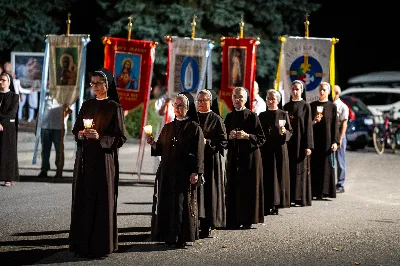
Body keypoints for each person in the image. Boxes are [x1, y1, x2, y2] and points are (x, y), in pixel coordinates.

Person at [69, 68, 126, 258]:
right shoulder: (86, 104)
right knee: (83, 198)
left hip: (103, 160)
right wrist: (81, 134)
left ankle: (101, 245)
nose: (94, 86)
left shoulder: (114, 107)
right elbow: (76, 129)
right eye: (92, 83)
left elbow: (120, 137)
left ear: (107, 85)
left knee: (102, 200)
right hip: (85, 158)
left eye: (97, 83)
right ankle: (81, 244)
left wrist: (100, 136)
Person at [146, 93, 204, 248]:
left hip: (184, 172)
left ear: (187, 108)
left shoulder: (194, 127)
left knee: (181, 204)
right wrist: (153, 143)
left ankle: (182, 236)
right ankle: (167, 235)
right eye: (175, 105)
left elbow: (199, 152)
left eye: (180, 105)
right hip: (167, 171)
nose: (177, 108)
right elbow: (161, 148)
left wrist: (196, 172)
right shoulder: (168, 126)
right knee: (167, 203)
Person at [224, 87, 265, 229]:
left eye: (240, 97)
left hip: (250, 158)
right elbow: (223, 141)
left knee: (248, 188)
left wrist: (247, 136)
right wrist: (229, 137)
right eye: (235, 96)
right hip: (234, 157)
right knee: (234, 186)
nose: (237, 99)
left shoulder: (252, 116)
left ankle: (248, 219)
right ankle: (233, 219)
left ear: (246, 99)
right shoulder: (229, 117)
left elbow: (261, 138)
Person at [195, 89, 228, 238]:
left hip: (210, 161)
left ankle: (209, 223)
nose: (201, 103)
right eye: (199, 100)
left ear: (210, 102)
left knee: (209, 192)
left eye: (204, 100)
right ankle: (195, 222)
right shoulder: (193, 117)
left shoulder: (216, 118)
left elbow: (223, 141)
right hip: (195, 160)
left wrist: (206, 142)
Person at [259, 89, 292, 215]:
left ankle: (277, 203)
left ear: (277, 100)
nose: (270, 101)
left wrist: (285, 133)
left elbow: (290, 131)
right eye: (268, 98)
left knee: (278, 176)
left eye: (273, 99)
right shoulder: (262, 115)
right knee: (267, 176)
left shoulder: (283, 114)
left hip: (279, 148)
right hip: (266, 149)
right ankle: (267, 203)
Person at [283, 80, 314, 207]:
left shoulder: (305, 106)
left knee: (300, 169)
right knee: (289, 169)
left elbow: (308, 127)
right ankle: (288, 197)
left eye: (297, 89)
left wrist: (308, 145)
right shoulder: (286, 106)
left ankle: (300, 197)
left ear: (301, 91)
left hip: (301, 142)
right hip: (289, 142)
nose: (295, 91)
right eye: (293, 89)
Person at [310, 82, 339, 200]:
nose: (322, 92)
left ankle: (325, 191)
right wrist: (314, 121)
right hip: (315, 140)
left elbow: (335, 126)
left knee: (326, 167)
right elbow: (308, 125)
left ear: (328, 92)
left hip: (327, 141)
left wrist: (335, 141)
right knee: (315, 165)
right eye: (321, 89)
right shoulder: (312, 105)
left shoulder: (332, 106)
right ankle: (314, 191)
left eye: (324, 90)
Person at [37, 94, 72, 178]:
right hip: (45, 126)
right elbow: (40, 111)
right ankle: (44, 169)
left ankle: (59, 170)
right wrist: (37, 127)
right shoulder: (45, 96)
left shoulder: (65, 96)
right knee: (45, 150)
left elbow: (70, 111)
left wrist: (67, 108)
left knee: (59, 150)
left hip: (58, 127)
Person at [0, 73, 19, 187]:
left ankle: (8, 177)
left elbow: (12, 113)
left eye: (3, 80)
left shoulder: (14, 97)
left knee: (8, 152)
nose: (1, 82)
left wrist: (2, 123)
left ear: (9, 82)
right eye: (0, 80)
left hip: (8, 128)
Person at [333, 85, 349, 193]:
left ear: (337, 93)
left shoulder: (343, 106)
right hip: (330, 135)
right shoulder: (329, 105)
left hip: (339, 134)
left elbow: (344, 124)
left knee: (340, 161)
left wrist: (340, 139)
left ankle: (340, 184)